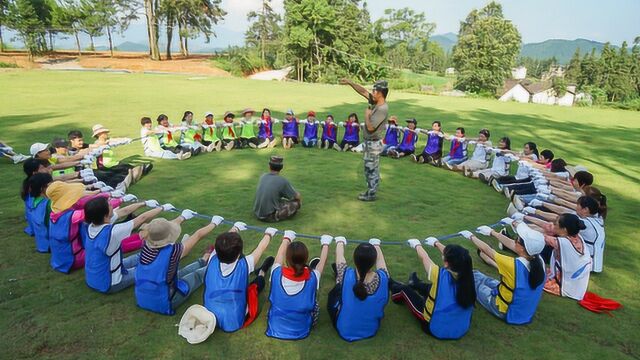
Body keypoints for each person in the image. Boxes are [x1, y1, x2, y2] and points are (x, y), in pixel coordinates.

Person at [136, 213, 224, 315]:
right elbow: (198, 235)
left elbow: (161, 233)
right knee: (197, 275)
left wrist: (182, 217)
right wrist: (214, 223)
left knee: (181, 272)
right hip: (166, 301)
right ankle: (214, 264)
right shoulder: (174, 250)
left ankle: (204, 259)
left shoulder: (145, 245)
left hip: (143, 296)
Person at [46, 181, 140, 273]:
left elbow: (83, 201)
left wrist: (107, 194)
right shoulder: (72, 216)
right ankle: (143, 241)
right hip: (73, 258)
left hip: (61, 257)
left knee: (109, 239)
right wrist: (120, 200)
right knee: (112, 245)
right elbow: (95, 209)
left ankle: (140, 237)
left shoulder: (56, 212)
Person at [390, 238, 475, 339]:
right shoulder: (468, 276)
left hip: (434, 327)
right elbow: (455, 256)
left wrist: (417, 245)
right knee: (433, 287)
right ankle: (415, 283)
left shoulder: (439, 275)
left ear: (447, 263)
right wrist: (436, 243)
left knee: (404, 289)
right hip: (460, 328)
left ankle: (392, 286)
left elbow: (424, 258)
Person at [465, 221, 547, 324]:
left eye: (517, 239)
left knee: (472, 281)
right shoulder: (539, 260)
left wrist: (471, 236)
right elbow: (512, 244)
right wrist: (492, 232)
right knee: (479, 276)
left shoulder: (513, 265)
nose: (514, 240)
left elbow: (487, 250)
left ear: (522, 248)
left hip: (504, 310)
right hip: (522, 309)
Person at [203, 224, 276, 332]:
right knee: (256, 286)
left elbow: (223, 242)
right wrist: (269, 233)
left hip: (209, 316)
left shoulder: (212, 257)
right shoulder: (245, 263)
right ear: (238, 255)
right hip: (234, 320)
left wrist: (235, 228)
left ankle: (260, 271)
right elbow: (260, 248)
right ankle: (262, 271)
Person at [82, 197, 163, 293]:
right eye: (110, 205)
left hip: (94, 276)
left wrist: (144, 203)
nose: (112, 205)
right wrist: (162, 208)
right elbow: (142, 218)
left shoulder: (92, 225)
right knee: (149, 269)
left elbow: (124, 211)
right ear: (105, 215)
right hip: (109, 283)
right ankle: (168, 256)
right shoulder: (113, 232)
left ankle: (156, 256)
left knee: (135, 258)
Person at [266, 231, 329, 340]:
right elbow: (322, 263)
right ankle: (310, 266)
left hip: (275, 326)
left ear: (287, 258)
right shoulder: (313, 277)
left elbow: (279, 257)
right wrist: (326, 244)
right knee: (315, 302)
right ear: (306, 258)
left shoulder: (276, 272)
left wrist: (287, 238)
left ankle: (309, 266)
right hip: (301, 330)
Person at [327, 237, 389, 342]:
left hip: (344, 329)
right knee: (341, 282)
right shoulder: (384, 277)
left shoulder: (345, 274)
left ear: (355, 260)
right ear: (373, 262)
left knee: (338, 286)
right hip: (371, 330)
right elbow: (382, 264)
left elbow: (339, 257)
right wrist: (376, 245)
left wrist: (340, 241)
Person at [340, 79, 389, 202]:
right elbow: (363, 92)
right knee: (369, 168)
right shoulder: (375, 102)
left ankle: (371, 194)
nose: (372, 92)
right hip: (369, 142)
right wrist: (350, 83)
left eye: (374, 90)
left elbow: (371, 127)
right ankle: (370, 190)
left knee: (371, 169)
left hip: (374, 143)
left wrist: (367, 115)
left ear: (380, 93)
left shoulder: (382, 108)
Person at [253, 156, 302, 222]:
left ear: (269, 166)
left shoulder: (263, 176)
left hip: (257, 212)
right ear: (281, 167)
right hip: (269, 216)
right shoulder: (282, 181)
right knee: (296, 203)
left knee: (281, 200)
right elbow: (297, 196)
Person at [25, 173, 53, 253]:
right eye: (50, 184)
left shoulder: (34, 199)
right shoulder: (49, 204)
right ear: (42, 188)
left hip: (42, 243)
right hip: (50, 244)